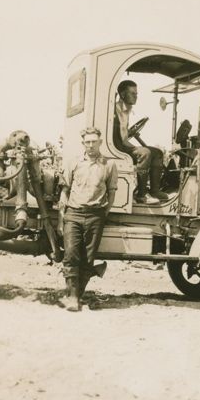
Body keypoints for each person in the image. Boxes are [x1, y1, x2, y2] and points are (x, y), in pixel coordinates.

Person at [57, 127, 117, 312]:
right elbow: (64, 191)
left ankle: (76, 295)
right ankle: (73, 298)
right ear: (83, 143)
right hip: (73, 213)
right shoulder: (73, 162)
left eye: (94, 141)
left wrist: (102, 213)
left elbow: (112, 191)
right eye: (87, 142)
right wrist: (62, 218)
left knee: (88, 258)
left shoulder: (109, 165)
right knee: (71, 255)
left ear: (100, 142)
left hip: (95, 215)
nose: (90, 145)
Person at [112, 79, 168, 204]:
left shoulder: (127, 110)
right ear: (122, 94)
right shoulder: (114, 110)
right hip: (116, 146)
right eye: (133, 93)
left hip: (124, 144)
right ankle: (141, 195)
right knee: (145, 153)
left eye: (136, 94)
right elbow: (119, 137)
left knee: (158, 152)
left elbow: (125, 134)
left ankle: (154, 190)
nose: (136, 96)